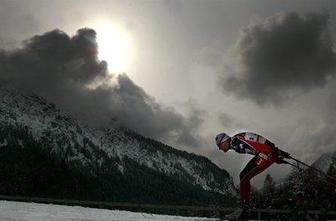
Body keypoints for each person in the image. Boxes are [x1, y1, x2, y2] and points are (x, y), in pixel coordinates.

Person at [215, 132, 290, 217]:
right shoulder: (235, 141)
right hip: (266, 153)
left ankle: (245, 210)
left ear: (224, 141)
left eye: (219, 145)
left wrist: (273, 153)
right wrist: (276, 154)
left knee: (244, 176)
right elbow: (256, 140)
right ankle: (245, 208)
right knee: (243, 175)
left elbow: (253, 144)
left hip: (265, 154)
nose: (219, 148)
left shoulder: (235, 141)